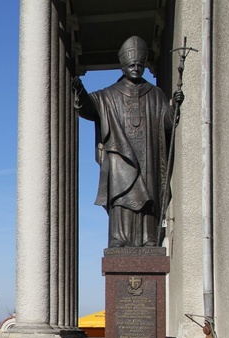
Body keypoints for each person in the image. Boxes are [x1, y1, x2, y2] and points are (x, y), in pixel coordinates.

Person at [72, 35, 184, 248]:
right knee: (122, 197)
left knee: (148, 195)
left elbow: (167, 123)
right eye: (132, 64)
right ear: (123, 66)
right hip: (121, 157)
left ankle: (148, 238)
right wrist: (80, 93)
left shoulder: (155, 94)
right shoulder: (109, 95)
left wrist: (175, 109)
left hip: (147, 157)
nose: (136, 68)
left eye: (140, 65)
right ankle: (119, 238)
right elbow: (90, 108)